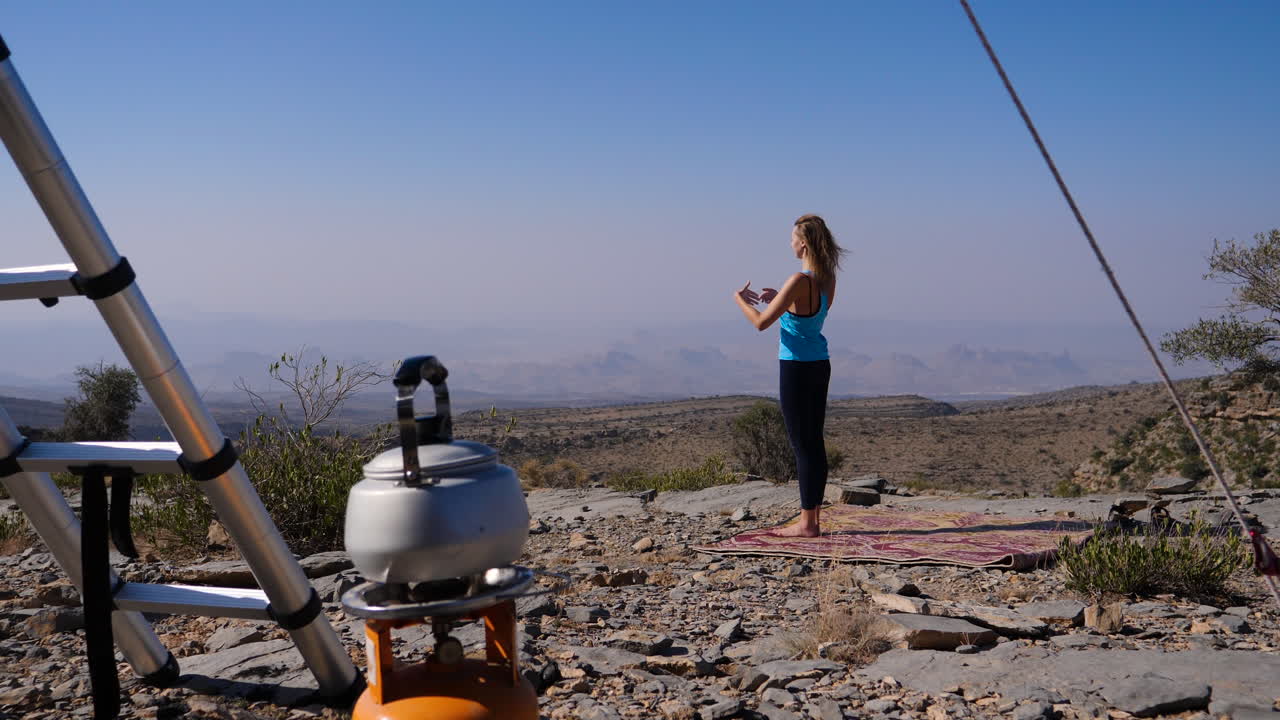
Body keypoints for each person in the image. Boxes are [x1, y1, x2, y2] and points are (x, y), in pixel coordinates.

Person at [732, 214, 846, 537]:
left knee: (801, 445)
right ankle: (814, 518)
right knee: (814, 442)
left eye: (793, 238)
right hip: (819, 364)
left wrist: (739, 300)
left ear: (804, 243)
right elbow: (811, 318)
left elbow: (760, 323)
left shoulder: (797, 281)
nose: (790, 243)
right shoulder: (828, 280)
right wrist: (781, 301)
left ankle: (807, 524)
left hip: (795, 368)